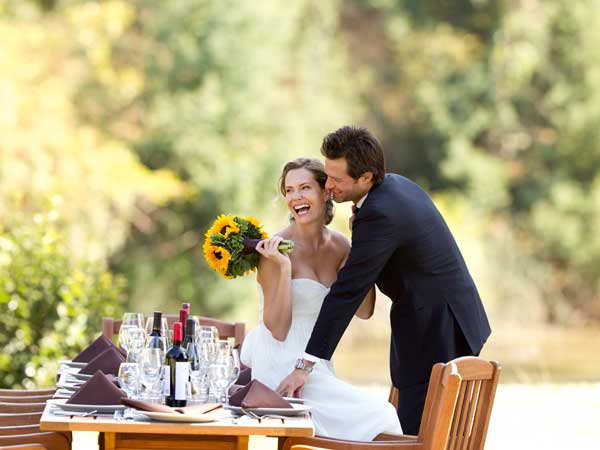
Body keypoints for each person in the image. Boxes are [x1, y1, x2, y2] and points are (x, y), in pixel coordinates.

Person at [276, 126, 492, 435]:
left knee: (420, 433)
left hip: (436, 329)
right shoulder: (394, 187)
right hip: (451, 318)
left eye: (336, 180)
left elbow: (348, 292)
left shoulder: (380, 212)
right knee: (431, 430)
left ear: (365, 177)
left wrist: (306, 364)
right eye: (327, 176)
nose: (328, 187)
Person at [240, 157, 402, 440]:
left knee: (375, 419)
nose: (296, 197)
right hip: (278, 364)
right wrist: (284, 267)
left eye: (305, 187)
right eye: (289, 190)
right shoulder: (273, 251)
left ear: (325, 192)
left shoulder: (341, 246)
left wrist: (361, 252)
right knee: (382, 415)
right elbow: (277, 330)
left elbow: (364, 311)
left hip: (315, 363)